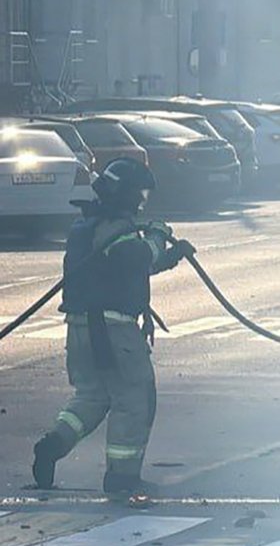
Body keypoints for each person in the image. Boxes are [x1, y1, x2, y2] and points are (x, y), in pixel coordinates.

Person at [31, 159, 195, 495]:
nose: (141, 201)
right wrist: (157, 236)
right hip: (113, 330)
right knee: (134, 398)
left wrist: (172, 255)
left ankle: (54, 444)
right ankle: (122, 476)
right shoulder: (113, 226)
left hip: (81, 328)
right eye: (139, 194)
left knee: (93, 395)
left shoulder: (92, 226)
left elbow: (126, 267)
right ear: (125, 193)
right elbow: (133, 258)